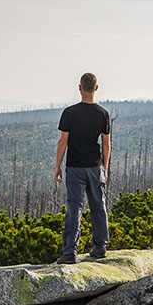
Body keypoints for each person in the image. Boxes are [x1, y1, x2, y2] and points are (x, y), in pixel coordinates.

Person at [53, 72, 111, 264]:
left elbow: (63, 141)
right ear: (96, 88)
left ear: (79, 88)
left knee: (74, 208)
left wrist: (58, 166)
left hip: (75, 167)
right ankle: (100, 248)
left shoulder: (70, 113)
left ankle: (69, 252)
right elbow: (106, 144)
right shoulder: (103, 114)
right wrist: (105, 167)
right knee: (98, 206)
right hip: (95, 167)